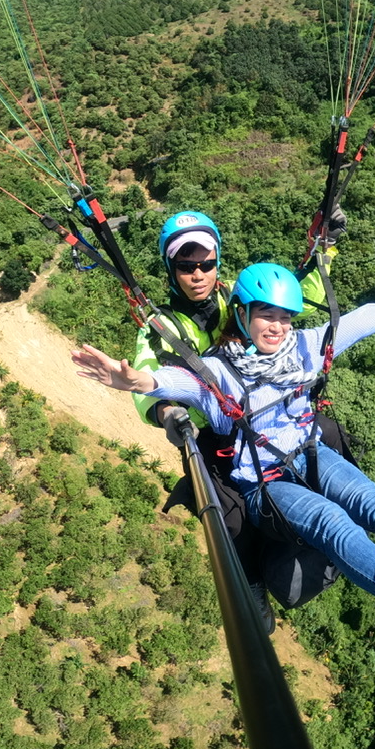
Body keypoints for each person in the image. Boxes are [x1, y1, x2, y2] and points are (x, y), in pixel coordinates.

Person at [73, 255, 375, 644]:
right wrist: (134, 380)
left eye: (286, 317)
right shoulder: (217, 372)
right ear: (243, 313)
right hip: (262, 484)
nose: (278, 326)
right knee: (333, 522)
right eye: (267, 315)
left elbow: (363, 319)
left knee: (374, 503)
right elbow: (172, 381)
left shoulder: (305, 347)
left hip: (310, 454)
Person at [133, 210, 347, 632]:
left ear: (217, 262)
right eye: (186, 265)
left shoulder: (240, 292)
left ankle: (343, 520)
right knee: (227, 513)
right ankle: (251, 583)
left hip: (270, 407)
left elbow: (295, 297)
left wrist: (325, 249)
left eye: (206, 263)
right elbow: (145, 380)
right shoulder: (160, 327)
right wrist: (166, 412)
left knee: (331, 441)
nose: (198, 274)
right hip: (216, 429)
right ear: (171, 269)